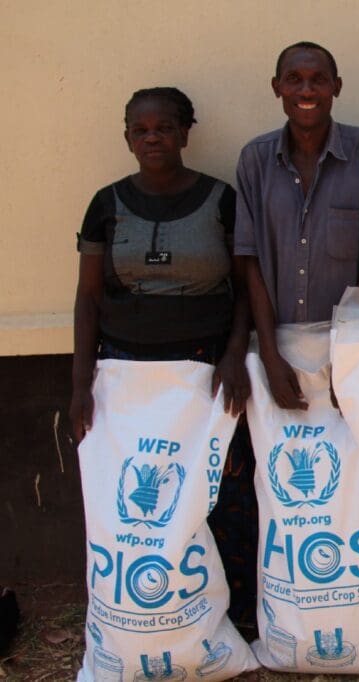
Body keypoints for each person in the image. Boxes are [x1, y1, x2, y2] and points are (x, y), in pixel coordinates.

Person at [70, 86, 256, 622]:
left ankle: (233, 611)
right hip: (128, 373)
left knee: (219, 486)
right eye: (140, 130)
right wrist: (81, 382)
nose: (152, 138)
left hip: (207, 367)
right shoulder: (106, 204)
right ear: (127, 136)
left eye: (164, 128)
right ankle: (150, 608)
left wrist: (233, 355)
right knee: (142, 495)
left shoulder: (222, 200)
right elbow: (87, 296)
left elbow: (247, 287)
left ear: (185, 133)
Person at [236, 41, 359, 405]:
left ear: (337, 86)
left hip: (351, 346)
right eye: (294, 79)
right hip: (278, 349)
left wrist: (349, 352)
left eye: (318, 79)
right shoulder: (255, 160)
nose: (306, 90)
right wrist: (270, 357)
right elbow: (250, 262)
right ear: (276, 87)